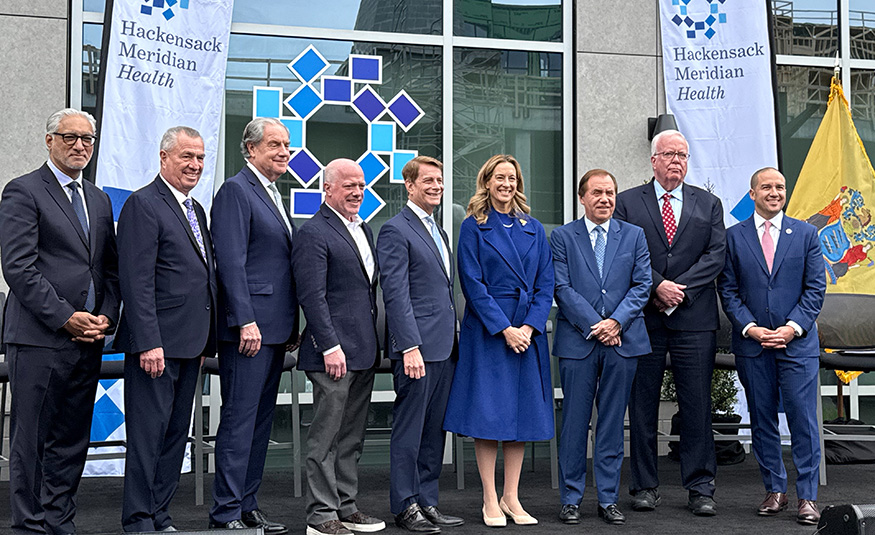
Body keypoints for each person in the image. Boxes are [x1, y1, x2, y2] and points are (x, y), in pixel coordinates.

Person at [0, 108, 121, 535]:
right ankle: (30, 526)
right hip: (39, 338)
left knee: (71, 441)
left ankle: (59, 522)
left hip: (88, 340)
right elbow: (19, 269)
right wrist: (67, 318)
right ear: (49, 140)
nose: (79, 145)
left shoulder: (99, 199)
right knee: (32, 440)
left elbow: (109, 270)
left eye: (87, 138)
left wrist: (106, 316)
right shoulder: (23, 191)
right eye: (70, 137)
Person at [614, 129, 726, 516]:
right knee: (642, 406)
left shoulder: (709, 203)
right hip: (643, 318)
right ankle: (645, 486)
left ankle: (701, 487)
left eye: (682, 155)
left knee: (696, 406)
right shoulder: (627, 202)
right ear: (653, 160)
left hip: (694, 318)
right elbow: (623, 254)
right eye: (669, 154)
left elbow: (715, 255)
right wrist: (657, 286)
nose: (676, 160)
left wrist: (679, 290)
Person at [114, 125, 217, 532]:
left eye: (200, 157)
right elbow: (135, 281)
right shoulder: (143, 204)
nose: (195, 164)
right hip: (156, 346)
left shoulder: (196, 210)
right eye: (186, 156)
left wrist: (207, 337)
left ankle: (160, 515)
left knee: (175, 435)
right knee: (148, 437)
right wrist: (148, 342)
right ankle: (138, 519)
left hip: (191, 343)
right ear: (163, 158)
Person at [443, 154, 555, 528]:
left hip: (527, 333)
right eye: (500, 177)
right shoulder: (473, 226)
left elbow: (546, 284)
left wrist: (529, 327)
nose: (507, 184)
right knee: (489, 415)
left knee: (521, 415)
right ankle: (490, 497)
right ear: (487, 182)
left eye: (512, 178)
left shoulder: (534, 228)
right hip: (490, 333)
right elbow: (472, 285)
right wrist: (505, 329)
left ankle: (511, 496)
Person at [717, 167, 826, 525]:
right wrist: (751, 328)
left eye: (780, 186)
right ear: (753, 194)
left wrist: (791, 328)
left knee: (802, 420)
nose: (774, 192)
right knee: (761, 418)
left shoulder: (806, 234)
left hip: (797, 345)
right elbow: (728, 290)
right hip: (754, 346)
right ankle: (774, 490)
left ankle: (807, 496)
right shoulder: (733, 237)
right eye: (766, 187)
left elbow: (815, 289)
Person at [208, 117, 299, 533]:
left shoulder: (273, 193)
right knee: (239, 421)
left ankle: (248, 505)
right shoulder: (236, 190)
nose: (284, 152)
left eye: (286, 145)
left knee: (261, 423)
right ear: (251, 149)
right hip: (250, 331)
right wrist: (245, 320)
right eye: (275, 144)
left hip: (274, 330)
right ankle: (226, 513)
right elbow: (230, 262)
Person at [551, 169, 652, 526]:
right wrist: (597, 325)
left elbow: (642, 285)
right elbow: (561, 288)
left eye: (610, 192)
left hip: (622, 341)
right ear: (582, 197)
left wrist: (616, 322)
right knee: (574, 423)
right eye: (597, 192)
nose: (605, 199)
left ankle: (608, 499)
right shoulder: (562, 237)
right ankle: (571, 498)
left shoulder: (634, 235)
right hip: (578, 341)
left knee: (611, 424)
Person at [292, 158, 385, 535]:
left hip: (363, 351)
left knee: (351, 437)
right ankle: (321, 515)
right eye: (349, 185)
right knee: (326, 438)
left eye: (361, 185)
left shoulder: (364, 229)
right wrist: (329, 345)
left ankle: (346, 506)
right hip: (332, 354)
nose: (357, 192)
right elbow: (312, 296)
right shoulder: (313, 232)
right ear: (327, 189)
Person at [377, 156, 463, 534]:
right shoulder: (395, 229)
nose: (436, 186)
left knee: (433, 432)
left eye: (439, 181)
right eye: (428, 180)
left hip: (444, 347)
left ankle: (427, 501)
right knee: (409, 431)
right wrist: (409, 346)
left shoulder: (438, 230)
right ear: (409, 186)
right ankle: (405, 505)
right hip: (417, 351)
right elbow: (395, 295)